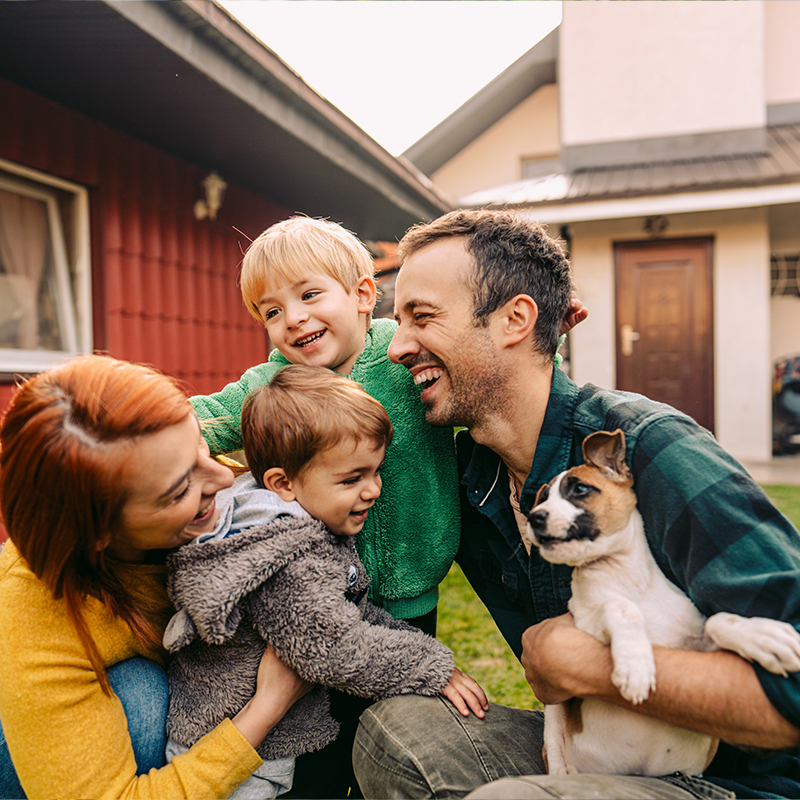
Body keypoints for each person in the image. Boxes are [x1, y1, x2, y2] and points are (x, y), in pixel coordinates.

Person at [351, 208, 800, 800]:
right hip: (606, 751)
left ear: (515, 319)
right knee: (394, 731)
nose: (397, 346)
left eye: (422, 318)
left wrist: (590, 667)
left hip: (733, 783)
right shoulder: (470, 475)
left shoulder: (651, 448)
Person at [163, 365, 486, 800]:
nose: (373, 490)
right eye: (352, 479)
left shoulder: (285, 523)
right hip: (239, 753)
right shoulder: (289, 558)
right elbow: (338, 647)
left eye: (375, 471)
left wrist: (416, 645)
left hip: (243, 732)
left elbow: (352, 612)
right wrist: (432, 668)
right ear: (284, 483)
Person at [0, 355, 312, 799]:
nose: (224, 476)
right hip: (25, 749)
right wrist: (269, 705)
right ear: (100, 534)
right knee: (144, 696)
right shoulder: (35, 619)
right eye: (180, 489)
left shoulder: (177, 476)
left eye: (200, 446)